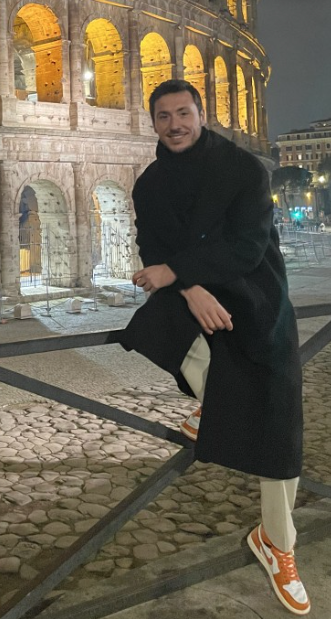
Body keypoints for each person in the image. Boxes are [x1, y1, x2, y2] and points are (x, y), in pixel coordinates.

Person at [118, 80, 310, 615]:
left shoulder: (245, 168)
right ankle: (214, 401)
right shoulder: (149, 184)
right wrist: (189, 287)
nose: (174, 124)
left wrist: (179, 272)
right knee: (153, 323)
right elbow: (153, 251)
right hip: (193, 294)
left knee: (278, 410)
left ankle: (277, 542)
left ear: (201, 115)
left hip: (254, 291)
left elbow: (248, 246)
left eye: (183, 113)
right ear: (153, 123)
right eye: (163, 116)